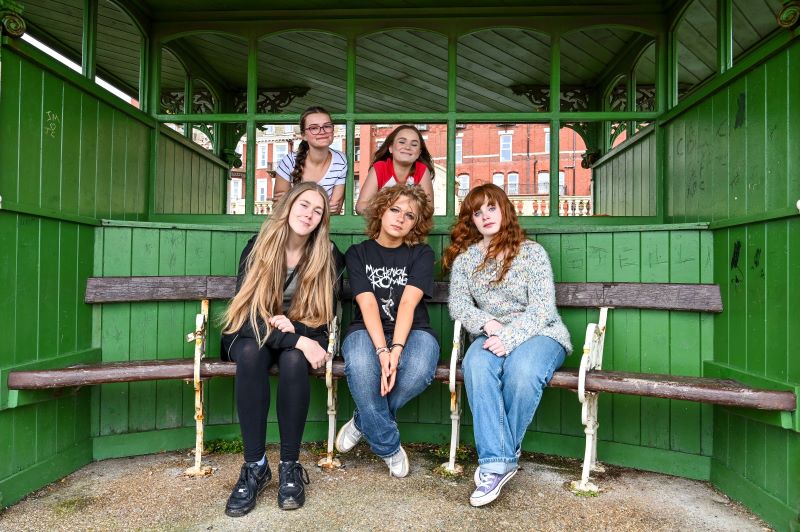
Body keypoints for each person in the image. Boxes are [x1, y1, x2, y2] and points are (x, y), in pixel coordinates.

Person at [442, 183, 572, 507]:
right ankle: (500, 460)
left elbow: (542, 309)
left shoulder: (532, 253)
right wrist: (487, 325)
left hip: (541, 334)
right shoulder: (465, 260)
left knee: (523, 370)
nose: (485, 216)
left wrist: (509, 337)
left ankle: (496, 460)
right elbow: (459, 306)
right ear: (470, 220)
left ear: (505, 210)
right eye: (477, 211)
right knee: (474, 365)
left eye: (491, 207)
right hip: (489, 334)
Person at [220, 182, 345, 516]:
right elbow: (244, 316)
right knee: (250, 354)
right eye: (304, 205)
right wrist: (297, 339)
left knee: (293, 362)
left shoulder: (327, 255)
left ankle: (290, 466)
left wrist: (300, 334)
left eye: (318, 211)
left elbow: (323, 319)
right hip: (254, 332)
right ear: (289, 205)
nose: (309, 214)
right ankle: (255, 466)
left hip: (301, 331)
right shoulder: (260, 245)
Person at [335, 185, 439, 477]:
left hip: (414, 330)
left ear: (416, 224)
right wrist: (382, 350)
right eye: (394, 210)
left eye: (409, 215)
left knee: (418, 369)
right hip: (365, 331)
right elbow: (367, 304)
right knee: (364, 369)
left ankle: (362, 422)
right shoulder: (357, 253)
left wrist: (396, 350)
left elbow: (407, 304)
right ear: (381, 210)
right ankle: (388, 446)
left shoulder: (421, 254)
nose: (400, 219)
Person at [274, 106, 346, 214]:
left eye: (327, 126)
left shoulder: (341, 161)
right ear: (304, 135)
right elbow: (278, 206)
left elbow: (335, 209)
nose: (322, 131)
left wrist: (294, 202)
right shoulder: (289, 161)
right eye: (314, 128)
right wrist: (321, 207)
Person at [355, 125, 434, 214]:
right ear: (391, 148)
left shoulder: (422, 170)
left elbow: (428, 208)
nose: (408, 147)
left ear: (419, 152)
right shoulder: (380, 168)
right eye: (402, 142)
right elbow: (360, 206)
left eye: (414, 144)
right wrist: (391, 210)